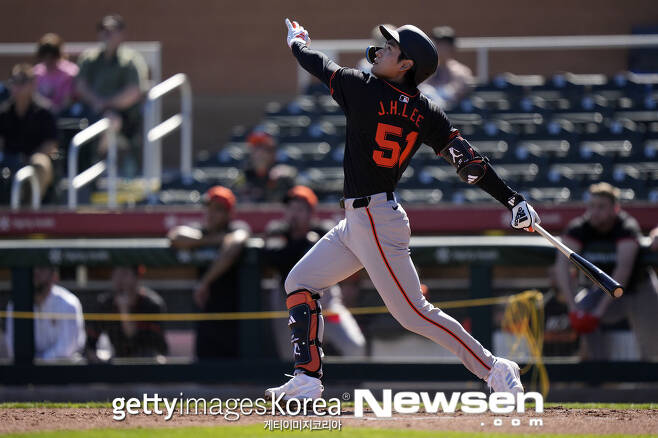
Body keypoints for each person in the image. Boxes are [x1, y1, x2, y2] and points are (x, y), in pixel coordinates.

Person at [266, 19, 541, 400]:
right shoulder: (426, 110)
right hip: (363, 220)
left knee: (413, 313)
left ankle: (494, 368)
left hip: (375, 219)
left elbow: (316, 63)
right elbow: (470, 163)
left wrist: (297, 42)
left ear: (406, 65)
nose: (380, 49)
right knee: (300, 282)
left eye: (390, 48)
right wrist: (513, 200)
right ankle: (308, 379)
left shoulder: (362, 87)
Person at [554, 183, 658, 360]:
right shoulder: (580, 228)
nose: (595, 211)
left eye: (601, 207)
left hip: (638, 289)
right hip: (601, 291)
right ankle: (597, 377)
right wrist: (573, 308)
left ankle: (649, 382)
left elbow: (622, 272)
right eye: (592, 206)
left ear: (615, 208)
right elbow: (561, 265)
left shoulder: (626, 226)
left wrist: (598, 313)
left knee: (653, 347)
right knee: (583, 309)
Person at [264, 185, 366, 358]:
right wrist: (303, 243)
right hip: (289, 305)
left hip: (325, 301)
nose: (294, 213)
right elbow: (274, 259)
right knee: (292, 358)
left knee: (355, 346)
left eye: (300, 208)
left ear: (311, 213)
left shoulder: (324, 232)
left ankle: (350, 384)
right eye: (291, 208)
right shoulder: (277, 231)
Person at [167, 185, 250, 358]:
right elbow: (175, 237)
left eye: (218, 210)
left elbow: (235, 244)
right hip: (206, 310)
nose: (211, 214)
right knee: (204, 365)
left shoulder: (236, 227)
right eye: (209, 208)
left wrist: (204, 282)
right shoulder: (202, 231)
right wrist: (211, 240)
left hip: (234, 313)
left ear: (229, 213)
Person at [76, 14, 149, 176]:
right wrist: (97, 102)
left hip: (123, 115)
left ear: (122, 34)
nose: (107, 34)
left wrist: (106, 103)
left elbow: (133, 92)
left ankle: (96, 161)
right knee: (71, 121)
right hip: (92, 110)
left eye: (112, 30)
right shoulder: (89, 58)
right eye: (103, 30)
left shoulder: (130, 60)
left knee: (110, 122)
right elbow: (81, 86)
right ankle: (76, 165)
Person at [0, 64, 58, 201]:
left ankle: (30, 205)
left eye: (22, 83)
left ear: (33, 85)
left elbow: (51, 144)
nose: (17, 87)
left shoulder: (45, 112)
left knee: (40, 162)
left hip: (34, 157)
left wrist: (27, 159)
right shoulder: (4, 112)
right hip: (9, 158)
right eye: (14, 82)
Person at [86, 266, 168, 360]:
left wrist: (124, 310)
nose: (119, 279)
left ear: (137, 277)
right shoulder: (105, 303)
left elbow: (137, 340)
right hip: (118, 362)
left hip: (148, 362)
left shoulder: (151, 304)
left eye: (124, 274)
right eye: (116, 274)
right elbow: (90, 343)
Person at [4, 266, 85, 360]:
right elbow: (12, 347)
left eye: (41, 268)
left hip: (63, 369)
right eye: (32, 268)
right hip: (25, 370)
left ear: (54, 275)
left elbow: (66, 348)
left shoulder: (68, 304)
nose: (36, 272)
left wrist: (38, 362)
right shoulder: (14, 305)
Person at [233, 130, 297, 203]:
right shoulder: (243, 176)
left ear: (273, 153)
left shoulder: (284, 177)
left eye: (263, 148)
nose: (259, 153)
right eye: (256, 148)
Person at [418, 26, 473, 110]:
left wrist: (445, 93)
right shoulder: (424, 69)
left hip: (453, 114)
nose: (441, 48)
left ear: (452, 47)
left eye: (445, 44)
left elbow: (459, 91)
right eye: (438, 43)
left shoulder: (461, 71)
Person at [33, 33, 79, 115]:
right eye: (44, 55)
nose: (48, 59)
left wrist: (54, 110)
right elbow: (32, 96)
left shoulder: (69, 72)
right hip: (40, 114)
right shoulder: (36, 73)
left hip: (63, 114)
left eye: (52, 55)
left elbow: (67, 102)